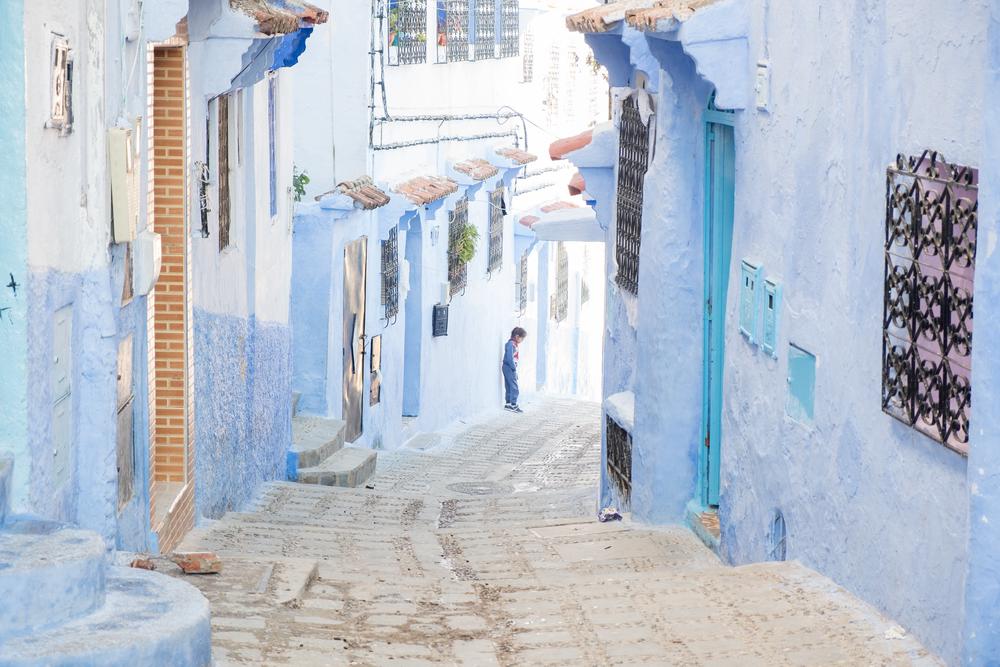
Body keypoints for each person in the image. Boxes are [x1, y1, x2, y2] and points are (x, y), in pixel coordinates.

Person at [503, 327, 527, 413]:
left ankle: (508, 404)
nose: (522, 340)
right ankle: (514, 404)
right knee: (514, 387)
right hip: (509, 367)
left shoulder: (512, 344)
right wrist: (513, 368)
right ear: (517, 336)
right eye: (522, 338)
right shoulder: (511, 344)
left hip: (508, 367)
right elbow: (510, 358)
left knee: (509, 386)